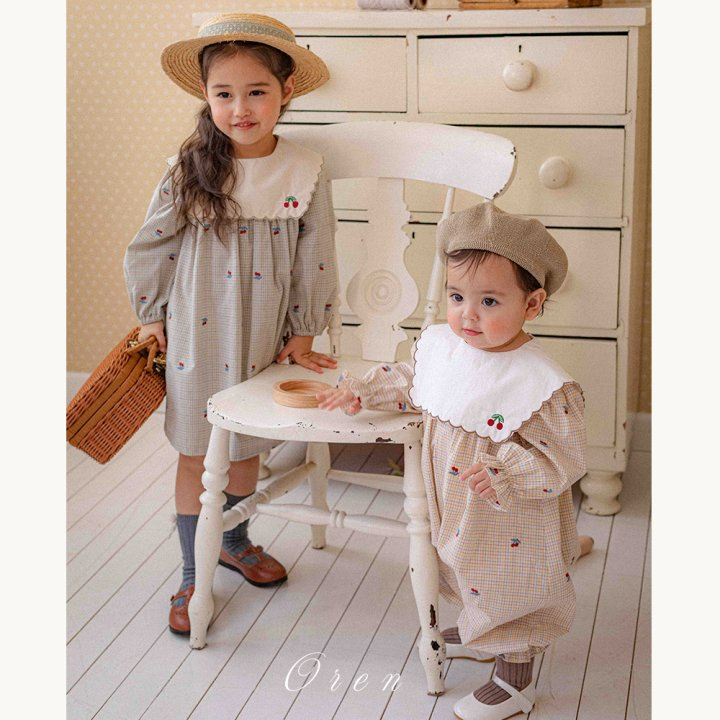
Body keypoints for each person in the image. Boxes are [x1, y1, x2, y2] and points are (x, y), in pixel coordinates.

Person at [317, 202, 589, 720]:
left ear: (532, 304)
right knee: (460, 567)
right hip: (453, 505)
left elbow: (564, 453)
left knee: (508, 580)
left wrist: (508, 470)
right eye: (457, 296)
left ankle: (515, 678)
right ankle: (480, 628)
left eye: (489, 301)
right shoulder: (444, 346)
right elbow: (415, 384)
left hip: (508, 515)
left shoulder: (539, 381)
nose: (468, 314)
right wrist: (364, 391)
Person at [124, 13, 338, 636]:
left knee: (244, 452)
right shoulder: (191, 168)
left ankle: (233, 540)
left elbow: (316, 253)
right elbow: (151, 245)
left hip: (263, 338)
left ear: (285, 92)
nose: (240, 109)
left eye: (256, 92)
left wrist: (304, 329)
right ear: (206, 95)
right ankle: (194, 569)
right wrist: (152, 315)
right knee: (199, 451)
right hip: (197, 334)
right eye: (224, 94)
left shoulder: (304, 169)